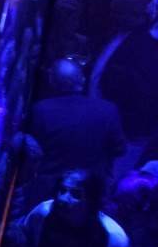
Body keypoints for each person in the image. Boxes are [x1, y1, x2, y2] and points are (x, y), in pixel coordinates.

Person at [24, 59, 128, 207]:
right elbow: (120, 149)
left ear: (52, 82)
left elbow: (31, 152)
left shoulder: (39, 109)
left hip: (49, 195)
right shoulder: (108, 110)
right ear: (83, 79)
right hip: (90, 194)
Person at [94, 0, 158, 141]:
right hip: (106, 113)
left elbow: (142, 90)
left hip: (123, 125)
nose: (112, 16)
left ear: (134, 15)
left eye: (117, 12)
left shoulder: (145, 45)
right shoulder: (117, 34)